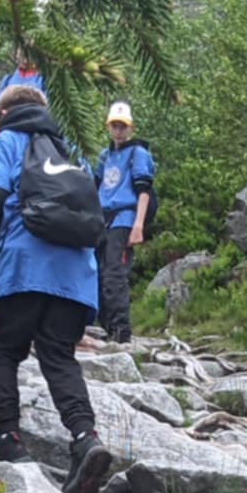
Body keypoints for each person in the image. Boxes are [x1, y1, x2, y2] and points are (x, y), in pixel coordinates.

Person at [0, 84, 114, 493]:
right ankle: (85, 437)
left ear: (3, 114)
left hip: (24, 264)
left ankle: (10, 441)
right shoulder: (71, 146)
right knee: (58, 355)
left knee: (2, 349)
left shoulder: (8, 141)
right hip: (76, 272)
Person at [92, 101, 153, 345]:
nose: (118, 131)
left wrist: (138, 224)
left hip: (124, 217)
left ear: (130, 128)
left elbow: (144, 191)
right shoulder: (104, 156)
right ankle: (106, 326)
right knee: (98, 272)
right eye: (114, 126)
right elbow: (96, 187)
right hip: (102, 219)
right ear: (108, 126)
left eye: (122, 126)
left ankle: (120, 330)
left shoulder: (138, 154)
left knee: (114, 274)